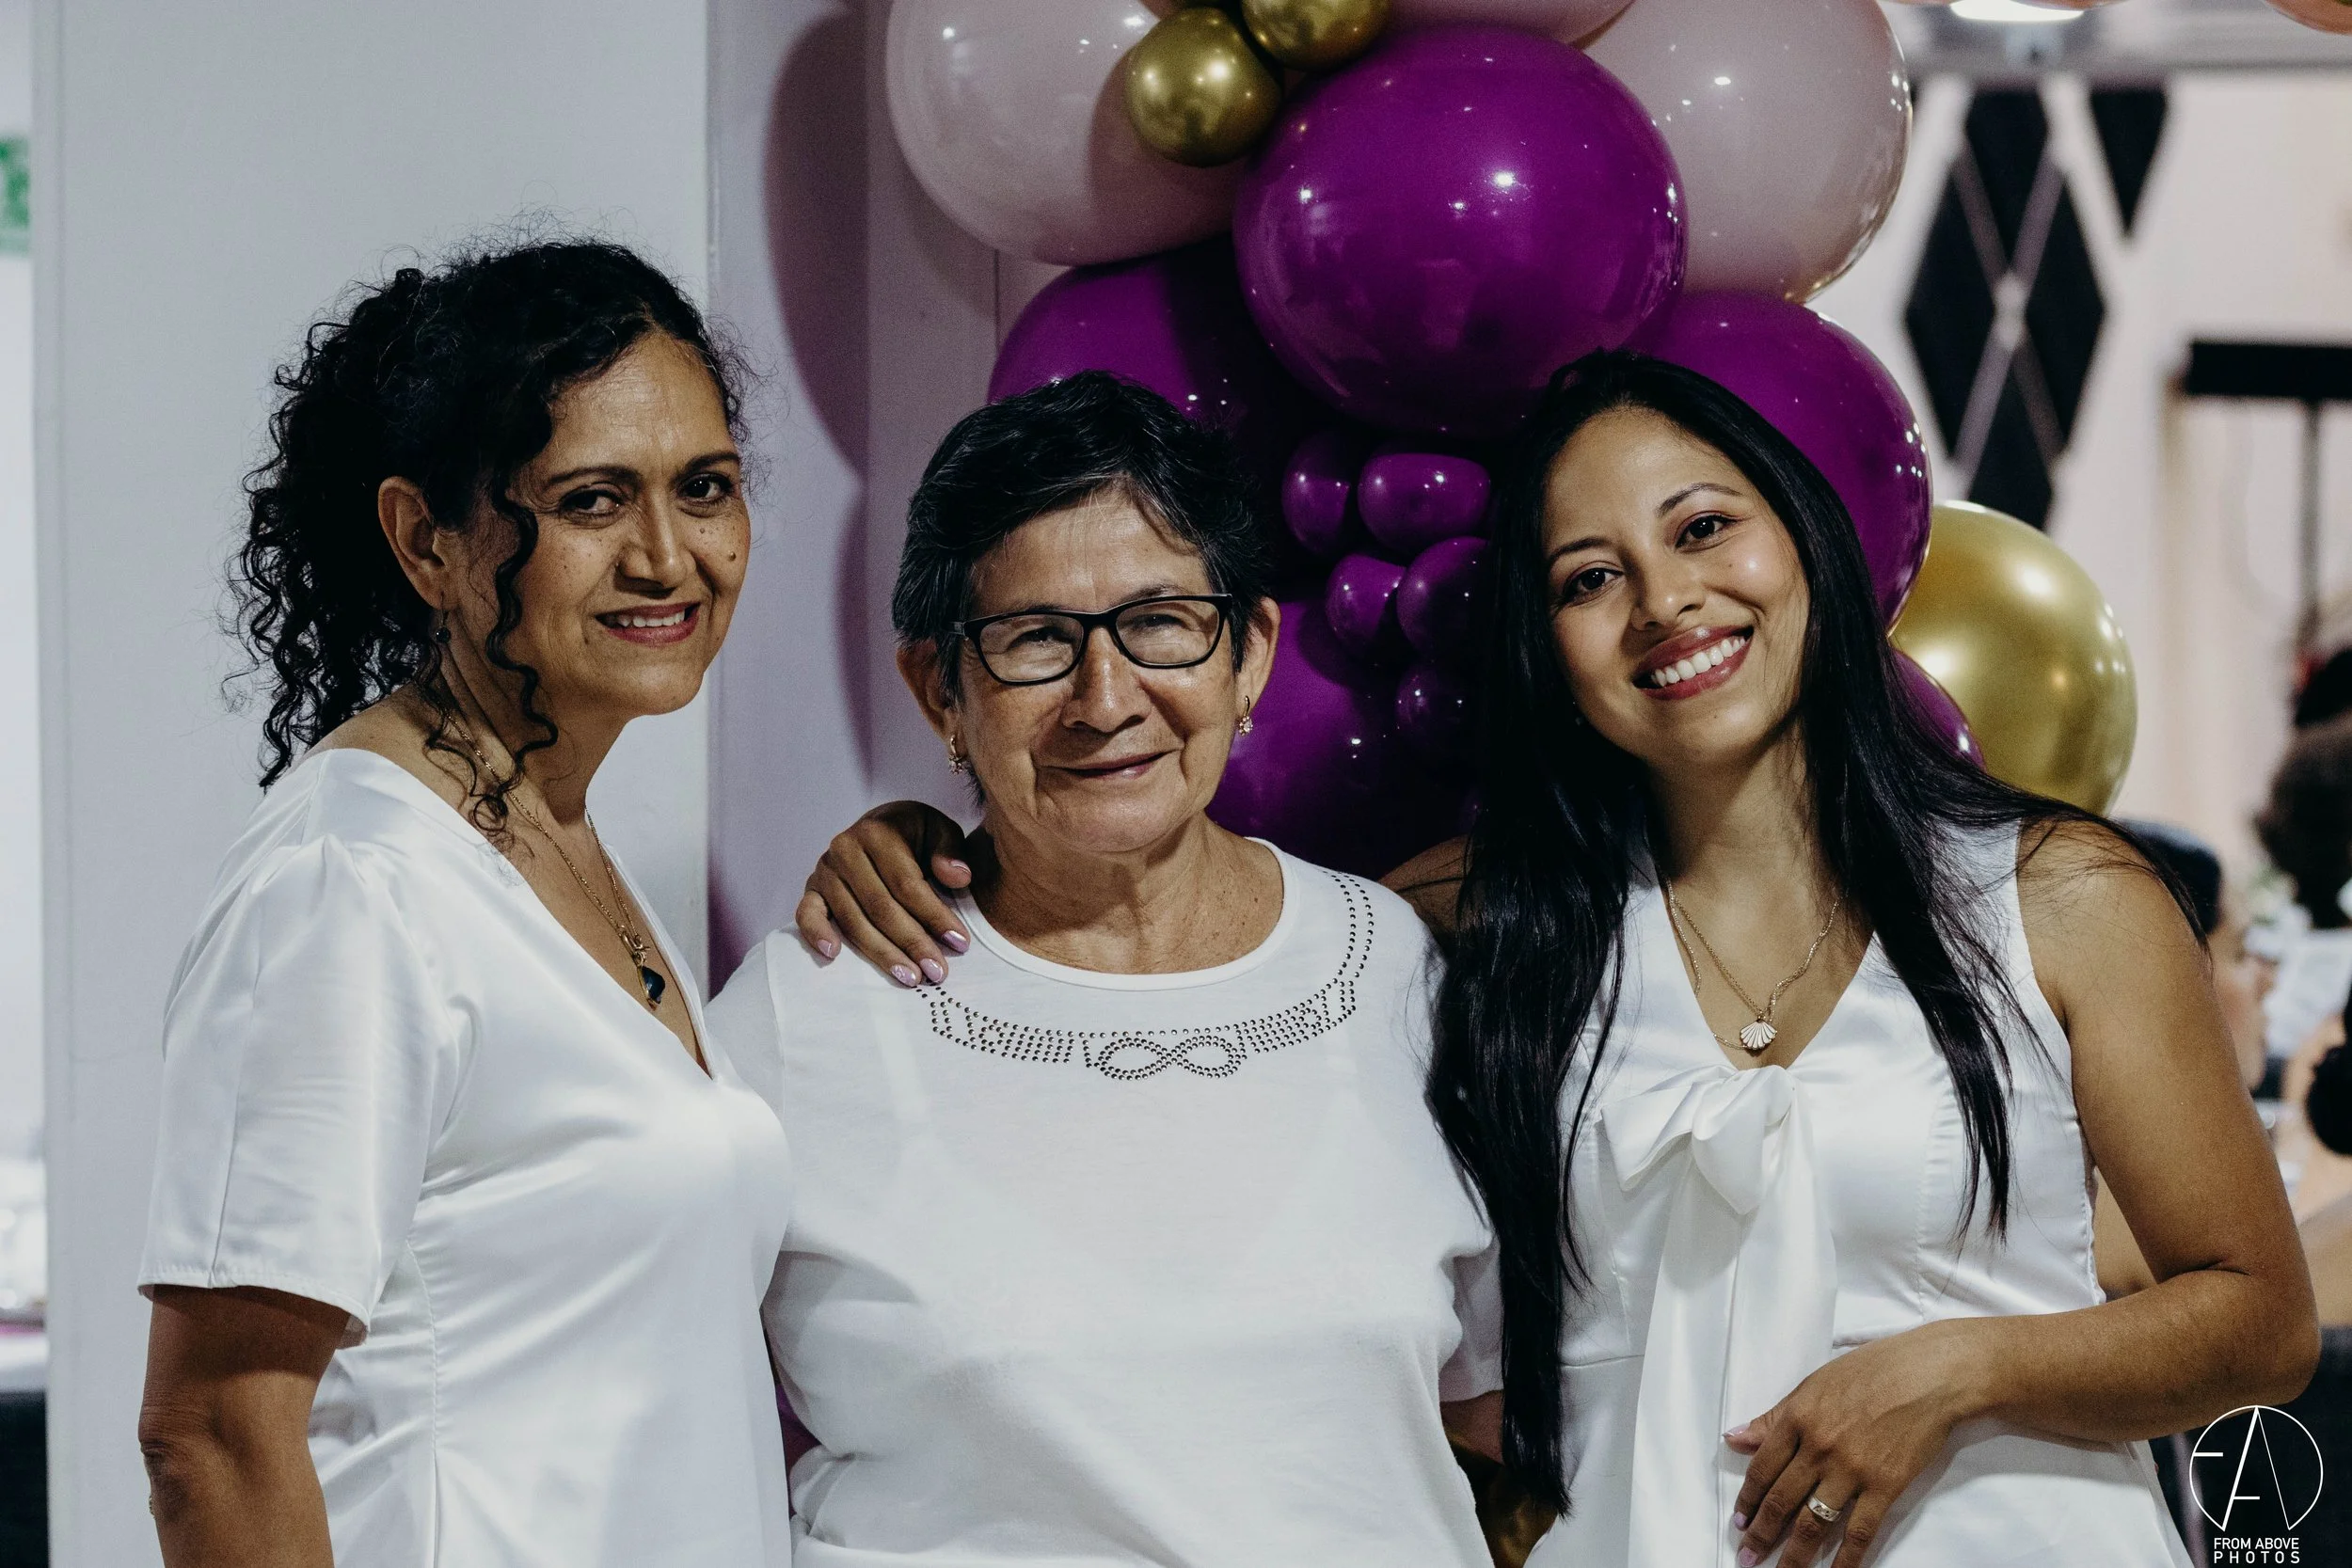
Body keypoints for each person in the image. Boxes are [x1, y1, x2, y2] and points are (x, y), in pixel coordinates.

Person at [804, 355, 2316, 1568]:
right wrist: (919, 837)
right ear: (1548, 639)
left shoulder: (2055, 893)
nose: (1666, 604)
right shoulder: (1470, 928)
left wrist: (1958, 1367)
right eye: (1591, 575)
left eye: (1705, 527)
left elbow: (2259, 1316)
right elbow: (1202, 956)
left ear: (1805, 539)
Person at [707, 372, 1502, 1568]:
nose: (1104, 697)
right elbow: (628, 1409)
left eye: (1161, 621)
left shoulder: (1401, 974)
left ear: (1249, 656)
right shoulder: (808, 1005)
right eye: (1035, 639)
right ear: (942, 692)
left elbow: (1491, 1421)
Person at [135, 241, 792, 1568]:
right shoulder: (351, 881)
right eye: (593, 500)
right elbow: (210, 1432)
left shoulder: (554, 837)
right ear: (427, 540)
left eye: (704, 487)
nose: (667, 555)